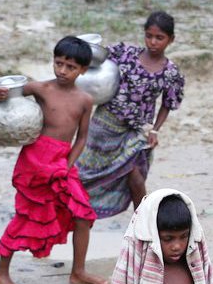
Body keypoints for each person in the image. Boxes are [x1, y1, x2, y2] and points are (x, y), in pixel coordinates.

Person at [0, 36, 104, 284]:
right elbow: (6, 98)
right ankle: (1, 272)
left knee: (83, 215)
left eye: (70, 66)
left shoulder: (85, 100)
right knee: (28, 215)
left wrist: (68, 164)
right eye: (59, 63)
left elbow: (82, 136)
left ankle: (78, 271)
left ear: (83, 70)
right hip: (36, 161)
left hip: (62, 162)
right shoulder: (41, 88)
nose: (62, 70)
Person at [77, 12, 185, 221]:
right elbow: (92, 61)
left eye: (159, 38)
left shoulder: (171, 72)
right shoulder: (124, 54)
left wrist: (155, 129)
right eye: (149, 36)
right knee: (83, 176)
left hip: (133, 132)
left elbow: (167, 104)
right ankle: (76, 220)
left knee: (135, 177)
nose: (153, 42)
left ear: (171, 39)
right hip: (103, 126)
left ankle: (144, 225)